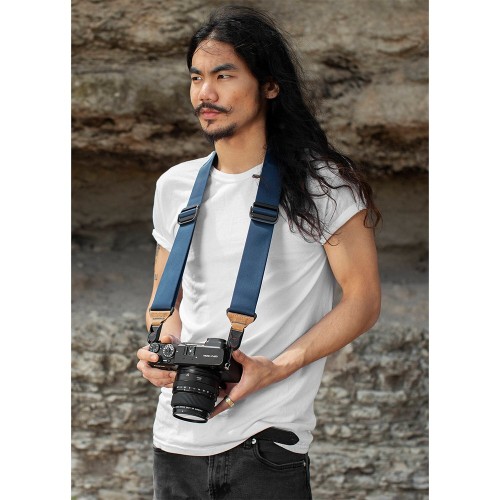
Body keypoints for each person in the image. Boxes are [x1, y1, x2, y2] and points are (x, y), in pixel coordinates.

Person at [136, 5, 381, 499]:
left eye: (223, 76)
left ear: (269, 85)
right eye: (197, 77)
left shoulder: (323, 185)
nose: (205, 93)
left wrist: (278, 367)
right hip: (175, 440)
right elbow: (166, 303)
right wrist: (163, 351)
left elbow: (363, 301)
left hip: (267, 442)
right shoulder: (176, 185)